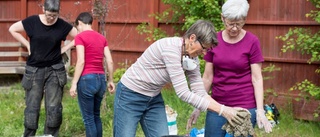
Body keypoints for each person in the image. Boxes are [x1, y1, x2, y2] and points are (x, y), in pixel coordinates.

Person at [113, 20, 248, 137]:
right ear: (192, 38)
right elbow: (183, 93)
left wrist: (228, 110)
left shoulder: (192, 57)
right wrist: (223, 111)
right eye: (204, 48)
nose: (205, 53)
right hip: (129, 96)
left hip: (153, 98)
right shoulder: (170, 49)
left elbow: (200, 92)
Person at [186, 0, 273, 136]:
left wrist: (260, 110)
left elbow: (257, 78)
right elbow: (208, 77)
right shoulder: (213, 40)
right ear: (222, 18)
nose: (234, 28)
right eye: (230, 23)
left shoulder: (252, 41)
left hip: (244, 106)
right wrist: (199, 105)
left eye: (239, 23)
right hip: (217, 105)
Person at [8, 0, 77, 136]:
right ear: (43, 9)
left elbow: (81, 36)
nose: (51, 18)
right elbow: (12, 29)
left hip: (55, 70)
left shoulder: (62, 25)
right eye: (49, 15)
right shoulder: (32, 21)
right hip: (34, 70)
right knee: (32, 107)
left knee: (53, 107)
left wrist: (66, 48)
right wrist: (27, 45)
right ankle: (29, 134)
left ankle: (50, 135)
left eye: (54, 16)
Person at [67, 12, 115, 137]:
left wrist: (73, 83)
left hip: (87, 80)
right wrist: (110, 80)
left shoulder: (80, 37)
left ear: (80, 23)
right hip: (101, 80)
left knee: (88, 120)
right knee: (96, 116)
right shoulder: (102, 37)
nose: (78, 30)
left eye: (77, 28)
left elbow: (81, 61)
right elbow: (109, 61)